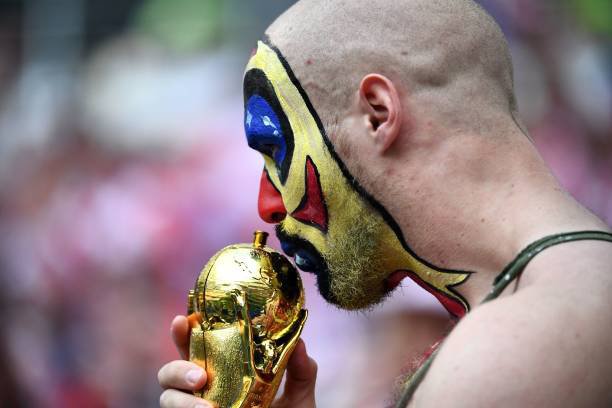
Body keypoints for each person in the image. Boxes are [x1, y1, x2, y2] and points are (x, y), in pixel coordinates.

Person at [158, 0, 612, 406]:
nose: (269, 204)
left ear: (378, 114)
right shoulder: (558, 297)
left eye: (276, 150)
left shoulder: (513, 346)